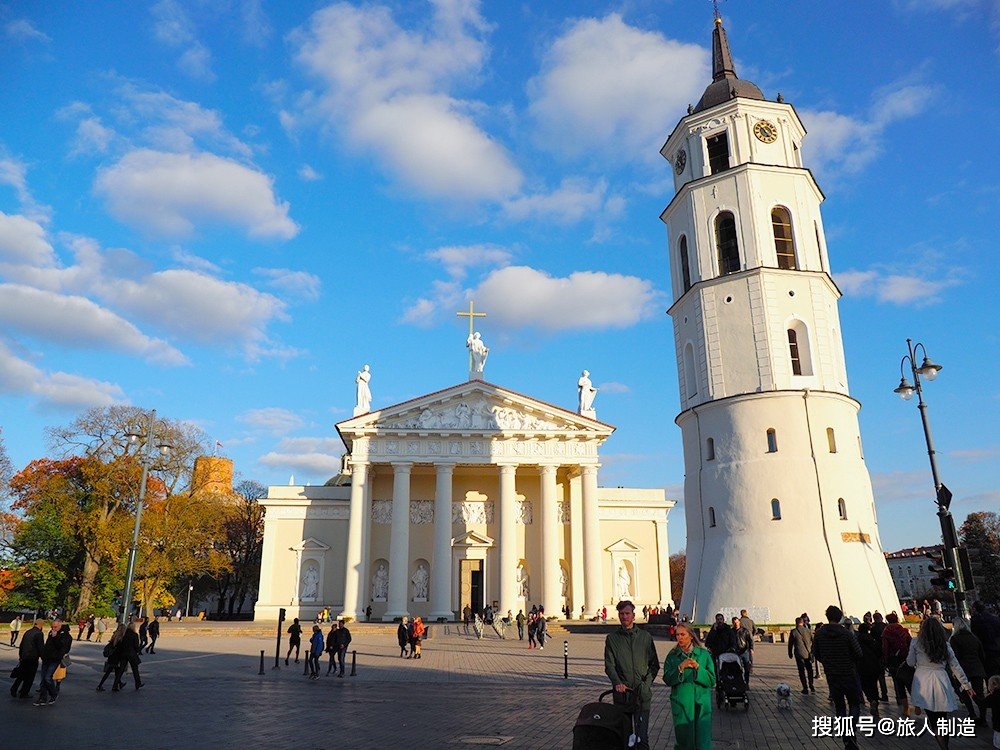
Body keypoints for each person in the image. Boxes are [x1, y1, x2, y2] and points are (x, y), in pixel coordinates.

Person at [906, 615, 973, 749]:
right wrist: (966, 685)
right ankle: (945, 744)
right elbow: (955, 666)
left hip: (923, 680)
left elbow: (910, 662)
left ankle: (942, 745)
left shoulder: (916, 642)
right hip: (941, 679)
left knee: (932, 718)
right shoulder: (945, 645)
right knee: (942, 718)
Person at [604, 600, 659, 750]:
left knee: (642, 739)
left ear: (633, 615)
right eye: (621, 614)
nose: (624, 616)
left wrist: (646, 685)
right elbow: (609, 665)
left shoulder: (645, 637)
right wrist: (617, 683)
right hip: (623, 695)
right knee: (627, 739)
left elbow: (654, 665)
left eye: (627, 613)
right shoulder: (612, 639)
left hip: (641, 695)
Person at [813, 605, 863, 750]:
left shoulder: (819, 634)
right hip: (849, 673)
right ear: (840, 617)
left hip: (832, 675)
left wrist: (828, 662)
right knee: (854, 704)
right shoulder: (846, 634)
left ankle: (846, 737)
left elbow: (816, 653)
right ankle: (851, 731)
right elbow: (858, 653)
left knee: (840, 707)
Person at [663, 622, 716, 750]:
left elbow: (711, 680)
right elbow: (668, 679)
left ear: (691, 636)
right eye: (677, 635)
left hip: (701, 702)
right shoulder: (672, 656)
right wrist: (680, 668)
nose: (679, 638)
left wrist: (698, 668)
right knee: (683, 739)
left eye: (683, 634)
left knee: (702, 739)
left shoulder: (703, 655)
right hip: (681, 702)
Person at [949, 616, 987, 726]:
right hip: (977, 668)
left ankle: (972, 713)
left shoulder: (954, 639)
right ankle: (983, 718)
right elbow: (982, 655)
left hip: (963, 669)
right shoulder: (974, 638)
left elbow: (954, 657)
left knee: (963, 691)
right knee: (979, 693)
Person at [35, 618, 72, 706]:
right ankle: (42, 698)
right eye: (52, 627)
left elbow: (63, 648)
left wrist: (55, 638)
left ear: (60, 626)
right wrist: (43, 655)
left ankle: (54, 693)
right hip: (47, 658)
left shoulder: (66, 636)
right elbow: (47, 645)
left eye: (55, 627)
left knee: (48, 677)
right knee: (43, 679)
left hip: (55, 659)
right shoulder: (51, 633)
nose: (53, 628)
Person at [881, 611, 913, 710]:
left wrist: (886, 660)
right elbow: (911, 644)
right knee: (910, 681)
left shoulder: (886, 633)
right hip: (906, 659)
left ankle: (904, 706)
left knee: (898, 682)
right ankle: (917, 702)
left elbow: (885, 648)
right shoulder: (904, 631)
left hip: (894, 661)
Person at [10, 619, 44, 699]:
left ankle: (14, 688)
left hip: (24, 657)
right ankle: (24, 692)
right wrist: (43, 657)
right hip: (32, 658)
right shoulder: (39, 634)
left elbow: (22, 645)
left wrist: (21, 656)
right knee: (30, 677)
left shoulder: (28, 632)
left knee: (21, 675)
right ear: (41, 625)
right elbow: (40, 647)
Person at [856, 622, 883, 717]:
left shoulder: (857, 641)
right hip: (874, 666)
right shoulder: (872, 640)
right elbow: (879, 652)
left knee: (864, 685)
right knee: (874, 685)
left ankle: (871, 699)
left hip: (862, 667)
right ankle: (875, 700)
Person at [971, 600, 1000, 677]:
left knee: (991, 677)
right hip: (997, 650)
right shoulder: (995, 619)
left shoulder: (975, 621)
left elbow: (975, 637)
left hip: (986, 653)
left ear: (974, 609)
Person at [96, 624, 128, 692]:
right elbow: (121, 649)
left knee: (113, 671)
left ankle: (118, 684)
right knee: (112, 672)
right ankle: (107, 686)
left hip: (112, 656)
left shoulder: (114, 636)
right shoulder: (122, 638)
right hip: (117, 657)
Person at [788, 616, 815, 694]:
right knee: (810, 670)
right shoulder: (808, 631)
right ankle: (811, 685)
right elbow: (813, 641)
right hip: (808, 653)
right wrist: (812, 651)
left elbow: (790, 644)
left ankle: (805, 688)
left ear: (796, 623)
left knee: (801, 671)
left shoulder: (794, 631)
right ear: (803, 623)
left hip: (799, 654)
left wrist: (790, 653)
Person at [730, 616, 753, 687]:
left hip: (744, 651)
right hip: (735, 652)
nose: (736, 624)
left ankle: (746, 683)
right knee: (737, 669)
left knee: (747, 668)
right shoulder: (731, 631)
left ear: (739, 622)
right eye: (734, 622)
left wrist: (751, 648)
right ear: (732, 623)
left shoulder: (744, 631)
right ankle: (739, 683)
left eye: (737, 622)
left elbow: (750, 640)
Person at [871, 612, 889, 701]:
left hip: (878, 654)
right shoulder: (886, 626)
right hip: (889, 653)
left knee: (880, 676)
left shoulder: (874, 629)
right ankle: (900, 698)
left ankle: (884, 694)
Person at [120, 620, 143, 690]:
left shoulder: (124, 634)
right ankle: (138, 683)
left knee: (121, 669)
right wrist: (138, 651)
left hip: (124, 653)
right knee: (135, 669)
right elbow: (136, 646)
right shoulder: (135, 635)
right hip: (131, 654)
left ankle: (117, 682)